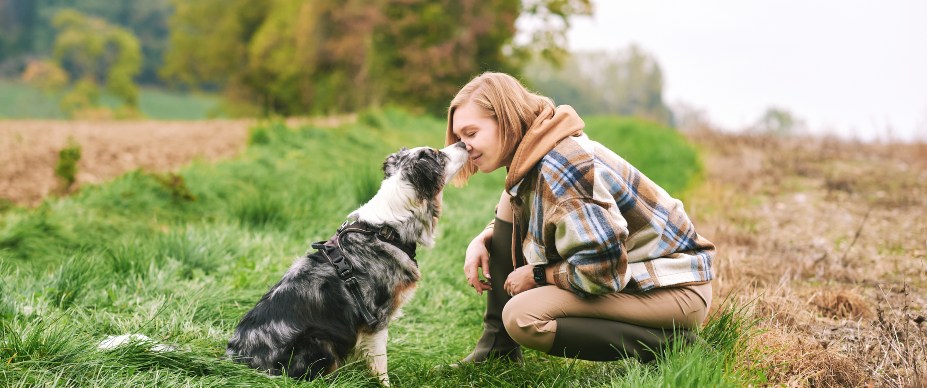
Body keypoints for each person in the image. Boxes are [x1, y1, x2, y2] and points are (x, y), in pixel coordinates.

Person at [445, 72, 715, 363]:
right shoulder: (535, 159)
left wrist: (538, 276)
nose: (464, 146)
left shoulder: (562, 170)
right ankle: (497, 349)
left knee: (523, 316)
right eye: (459, 138)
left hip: (671, 289)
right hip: (638, 278)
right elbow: (539, 214)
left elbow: (604, 271)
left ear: (507, 120)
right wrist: (487, 237)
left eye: (471, 134)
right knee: (508, 200)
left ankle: (675, 346)